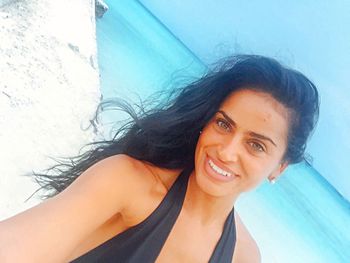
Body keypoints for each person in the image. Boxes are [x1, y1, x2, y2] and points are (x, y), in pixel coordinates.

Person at [0, 55, 319, 263]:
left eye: (256, 145)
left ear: (279, 167)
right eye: (223, 124)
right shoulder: (127, 183)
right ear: (206, 122)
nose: (227, 151)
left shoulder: (243, 256)